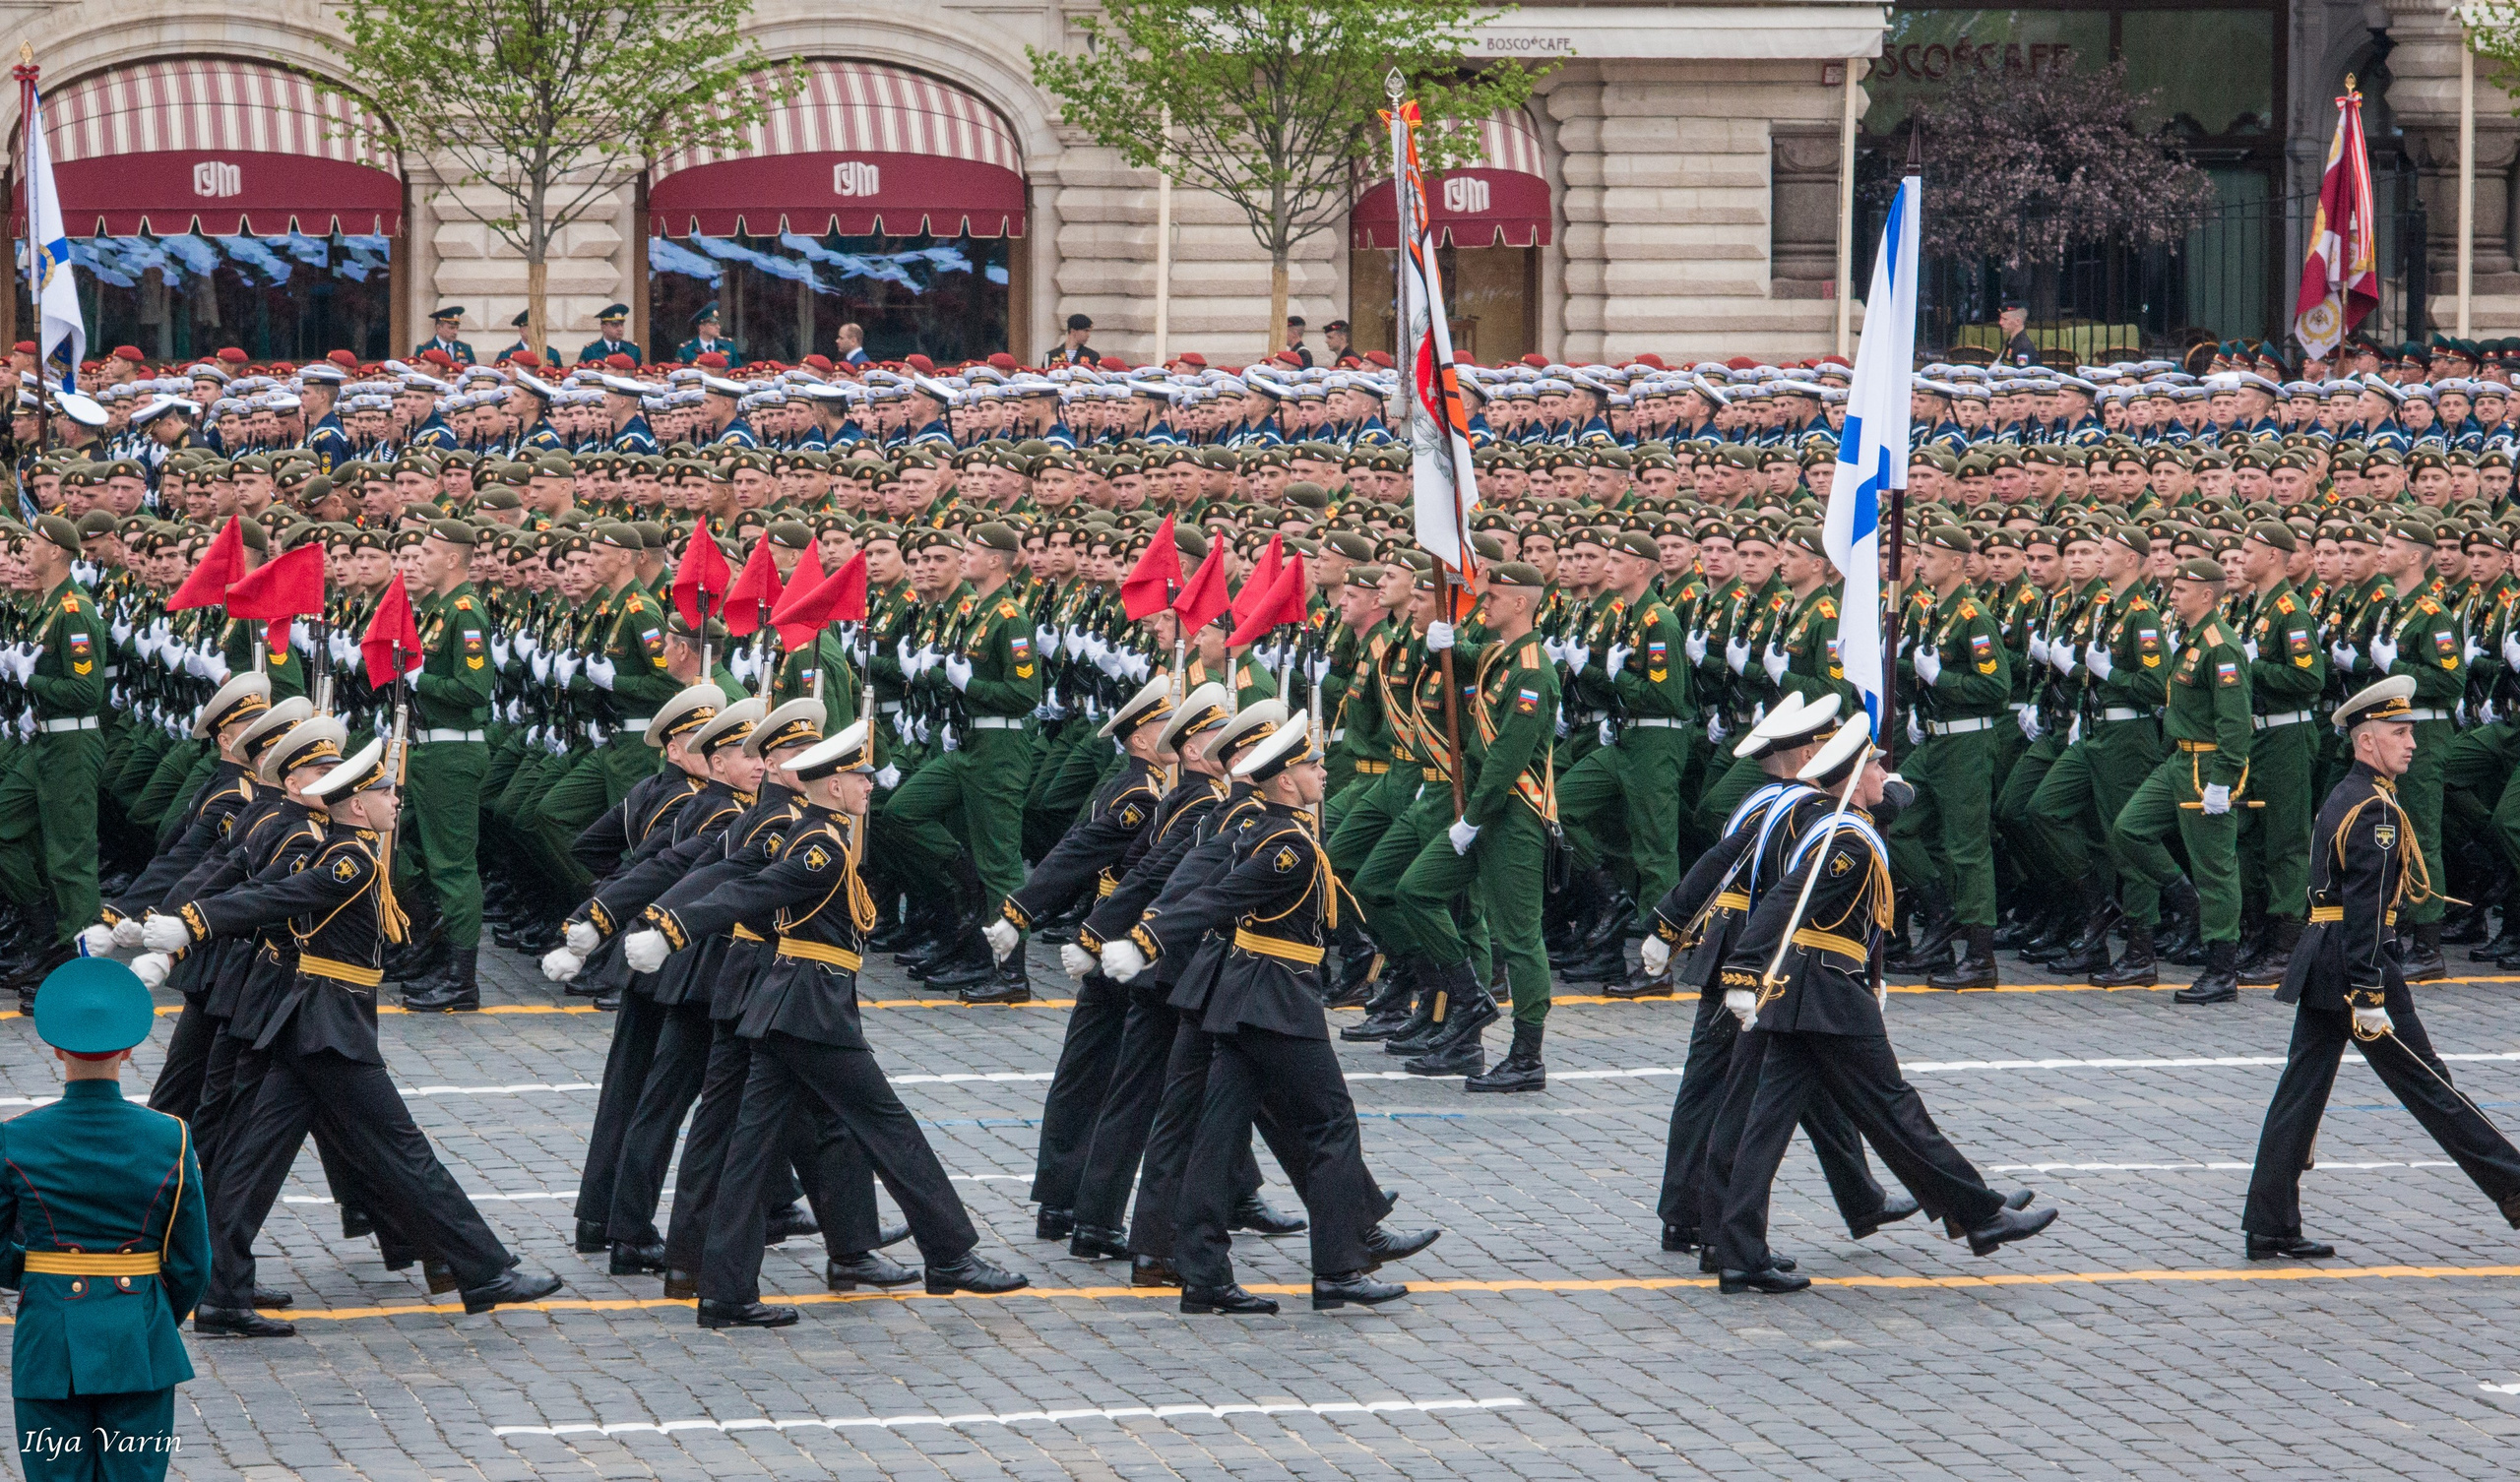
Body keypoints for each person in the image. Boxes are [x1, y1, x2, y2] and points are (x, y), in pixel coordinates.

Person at [147, 737, 564, 1336]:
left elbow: (265, 895)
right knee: (405, 1153)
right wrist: (194, 921)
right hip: (329, 1028)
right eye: (384, 790)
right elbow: (277, 895)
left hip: (308, 1023)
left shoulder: (350, 848)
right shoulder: (353, 860)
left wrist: (191, 921)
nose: (396, 798)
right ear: (358, 806)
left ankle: (220, 1291)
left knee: (252, 1159)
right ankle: (486, 1269)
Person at [623, 719, 1029, 1328]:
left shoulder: (825, 835)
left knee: (750, 1150)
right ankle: (950, 1254)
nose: (869, 785)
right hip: (811, 1010)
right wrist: (672, 930)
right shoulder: (821, 847)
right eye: (857, 777)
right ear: (833, 786)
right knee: (889, 1129)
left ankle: (725, 1291)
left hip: (786, 1008)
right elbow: (746, 893)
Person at [1105, 714, 1437, 1315]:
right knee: (1331, 1125)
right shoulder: (1285, 846)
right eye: (1311, 766)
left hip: (1242, 1001)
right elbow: (1213, 896)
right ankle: (1337, 1270)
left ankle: (1204, 1274)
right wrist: (1147, 938)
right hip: (1277, 1000)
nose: (1321, 772)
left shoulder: (1264, 829)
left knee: (1217, 1136)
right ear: (1285, 782)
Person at [1709, 721, 2056, 1293]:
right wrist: (1742, 971)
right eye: (1874, 767)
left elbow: (1891, 807)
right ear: (1851, 777)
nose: (1884, 775)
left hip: (1805, 995)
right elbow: (1786, 900)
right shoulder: (1843, 840)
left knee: (1766, 1125)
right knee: (1896, 1111)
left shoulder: (1843, 825)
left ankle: (1739, 1251)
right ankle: (1981, 1215)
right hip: (1825, 996)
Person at [2239, 675, 2520, 1258]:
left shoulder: (2349, 794)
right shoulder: (2375, 811)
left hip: (2326, 961)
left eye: (2411, 731)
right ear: (2367, 743)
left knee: (2301, 1093)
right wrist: (2369, 993)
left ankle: (2270, 1223)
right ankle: (2514, 1187)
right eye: (2398, 732)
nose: (2411, 742)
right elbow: (2365, 910)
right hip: (2357, 968)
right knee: (2432, 1086)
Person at [0, 957, 210, 1482]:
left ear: (55, 1048)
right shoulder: (171, 1137)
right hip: (139, 1332)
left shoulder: (16, 1138)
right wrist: (153, 1312)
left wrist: (34, 1276)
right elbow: (191, 1263)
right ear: (129, 1049)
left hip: (48, 1335)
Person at [0, 516, 108, 1006]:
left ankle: (79, 963)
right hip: (41, 741)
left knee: (71, 858)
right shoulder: (46, 608)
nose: (24, 547)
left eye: (34, 542)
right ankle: (46, 931)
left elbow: (87, 691)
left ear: (58, 553)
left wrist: (31, 681)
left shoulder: (74, 612)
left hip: (71, 744)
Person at [675, 304, 741, 366]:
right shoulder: (686, 349)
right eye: (713, 324)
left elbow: (737, 371)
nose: (718, 327)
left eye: (718, 324)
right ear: (701, 328)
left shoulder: (728, 345)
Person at [577, 305, 642, 366]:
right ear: (603, 327)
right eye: (615, 325)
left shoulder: (633, 350)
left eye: (621, 325)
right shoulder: (591, 350)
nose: (620, 329)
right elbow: (582, 374)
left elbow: (640, 376)